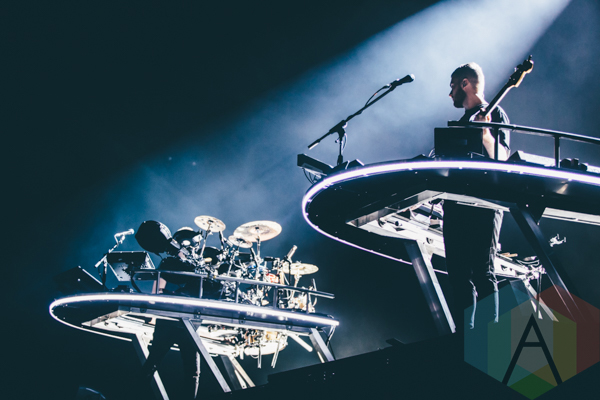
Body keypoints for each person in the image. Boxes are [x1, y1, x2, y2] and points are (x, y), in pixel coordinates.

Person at [443, 62, 510, 333]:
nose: (450, 93)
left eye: (452, 86)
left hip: (484, 204)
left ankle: (489, 339)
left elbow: (503, 158)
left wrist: (486, 135)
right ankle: (463, 339)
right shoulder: (460, 123)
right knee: (458, 275)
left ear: (465, 84)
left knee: (482, 272)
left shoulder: (496, 113)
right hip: (456, 205)